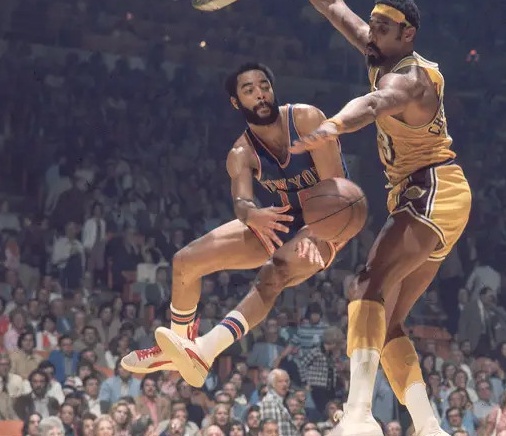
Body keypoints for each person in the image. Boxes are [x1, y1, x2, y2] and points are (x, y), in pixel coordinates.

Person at [279, 0, 471, 436]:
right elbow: (330, 3)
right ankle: (430, 433)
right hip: (429, 197)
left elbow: (373, 103)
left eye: (384, 27)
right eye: (374, 24)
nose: (372, 31)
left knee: (364, 286)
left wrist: (332, 127)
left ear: (407, 34)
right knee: (387, 326)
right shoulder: (378, 48)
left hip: (432, 188)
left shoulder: (410, 77)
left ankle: (359, 414)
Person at [122, 63, 351, 383]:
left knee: (276, 272)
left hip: (331, 218)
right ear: (236, 102)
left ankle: (207, 347)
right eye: (249, 90)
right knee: (185, 261)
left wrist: (314, 233)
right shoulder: (241, 152)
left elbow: (336, 185)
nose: (260, 93)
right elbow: (242, 200)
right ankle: (180, 350)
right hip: (284, 215)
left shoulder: (306, 118)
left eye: (264, 85)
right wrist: (250, 213)